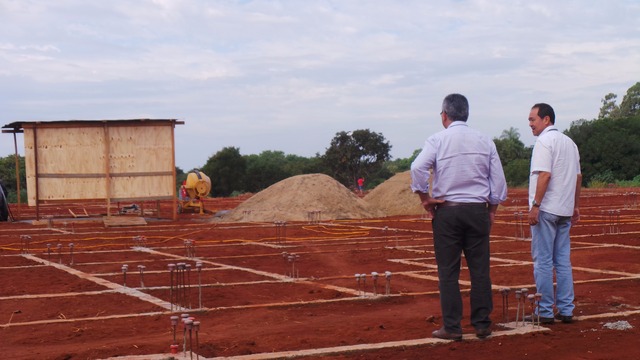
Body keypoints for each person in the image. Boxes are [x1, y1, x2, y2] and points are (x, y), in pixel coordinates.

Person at [410, 93, 507, 340]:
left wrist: (425, 199)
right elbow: (497, 180)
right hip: (477, 210)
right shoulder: (485, 141)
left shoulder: (437, 140)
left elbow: (417, 167)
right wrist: (492, 209)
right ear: (466, 114)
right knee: (480, 270)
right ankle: (482, 323)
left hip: (448, 211)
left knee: (448, 271)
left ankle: (452, 327)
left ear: (444, 115)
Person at [527, 103, 581, 325]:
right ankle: (567, 309)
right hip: (565, 210)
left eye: (533, 119)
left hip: (547, 209)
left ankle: (545, 311)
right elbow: (578, 178)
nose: (530, 124)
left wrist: (536, 205)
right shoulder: (570, 143)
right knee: (562, 261)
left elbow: (545, 175)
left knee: (543, 261)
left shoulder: (544, 141)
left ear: (546, 119)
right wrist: (575, 205)